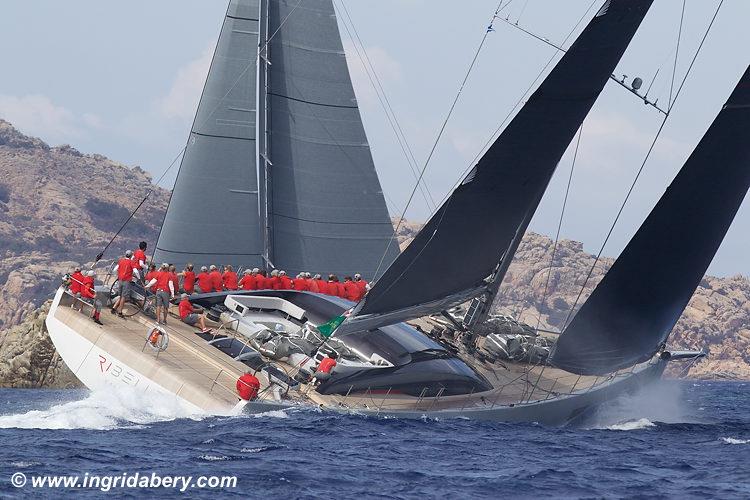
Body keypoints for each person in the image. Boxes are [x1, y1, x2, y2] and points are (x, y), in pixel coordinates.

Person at [111, 250, 135, 317]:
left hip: (120, 280)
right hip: (126, 281)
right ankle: (120, 312)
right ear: (131, 256)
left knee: (121, 295)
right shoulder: (131, 262)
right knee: (124, 297)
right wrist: (138, 278)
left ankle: (114, 307)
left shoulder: (121, 260)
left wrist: (118, 275)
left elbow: (115, 269)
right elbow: (135, 271)